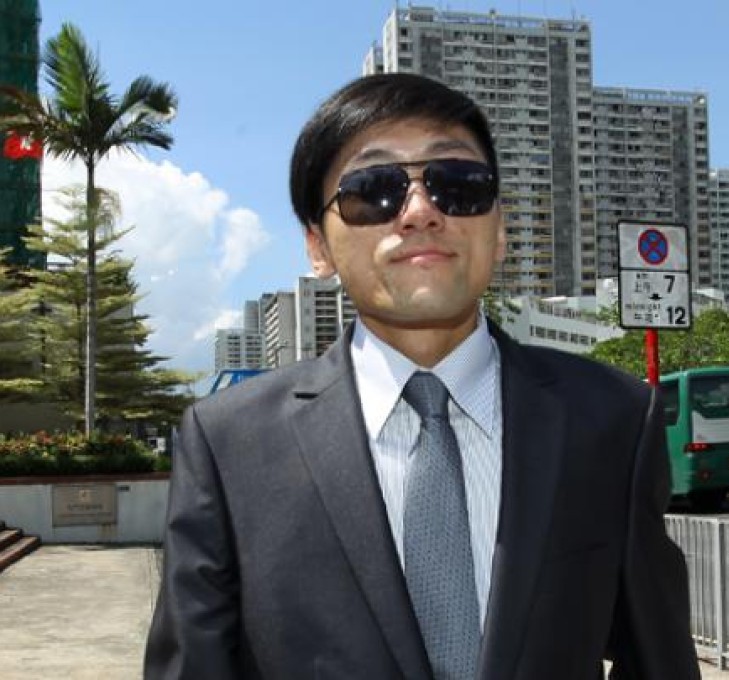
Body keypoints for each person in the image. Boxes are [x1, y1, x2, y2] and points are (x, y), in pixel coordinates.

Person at [144, 72, 700, 680]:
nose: (420, 211)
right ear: (317, 247)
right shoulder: (229, 444)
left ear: (500, 229)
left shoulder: (611, 419)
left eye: (458, 184)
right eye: (373, 189)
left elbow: (659, 659)